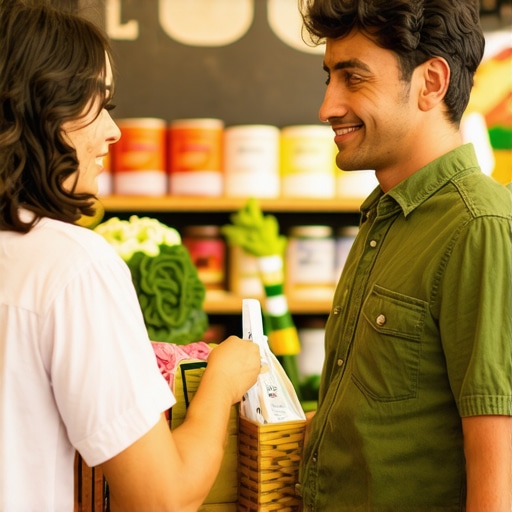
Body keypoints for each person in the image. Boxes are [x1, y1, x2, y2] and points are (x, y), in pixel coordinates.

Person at [0, 1, 260, 511]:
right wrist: (221, 382)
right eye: (101, 105)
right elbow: (163, 497)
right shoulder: (72, 266)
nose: (114, 132)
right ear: (46, 109)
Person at [297, 0, 512, 511]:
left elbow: (498, 474)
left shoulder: (478, 227)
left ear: (431, 82)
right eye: (329, 77)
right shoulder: (385, 217)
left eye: (354, 78)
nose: (327, 106)